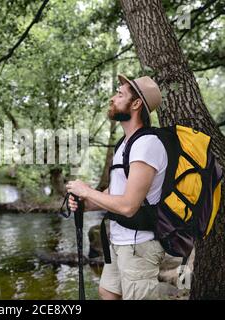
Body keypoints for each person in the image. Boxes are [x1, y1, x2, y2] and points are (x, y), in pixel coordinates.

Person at [65, 74, 167, 300]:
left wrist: (86, 190)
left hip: (139, 245)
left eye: (120, 94)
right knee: (108, 293)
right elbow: (116, 193)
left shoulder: (147, 144)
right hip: (120, 240)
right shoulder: (125, 144)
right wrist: (86, 203)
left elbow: (129, 205)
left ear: (136, 103)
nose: (112, 98)